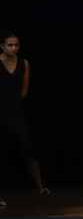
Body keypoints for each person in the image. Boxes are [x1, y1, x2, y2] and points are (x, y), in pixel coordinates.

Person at [0, 32, 48, 206]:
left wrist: (13, 103)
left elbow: (24, 90)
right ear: (2, 46)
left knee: (27, 148)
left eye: (16, 45)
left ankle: (41, 187)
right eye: (10, 45)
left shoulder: (24, 63)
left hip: (16, 111)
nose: (14, 48)